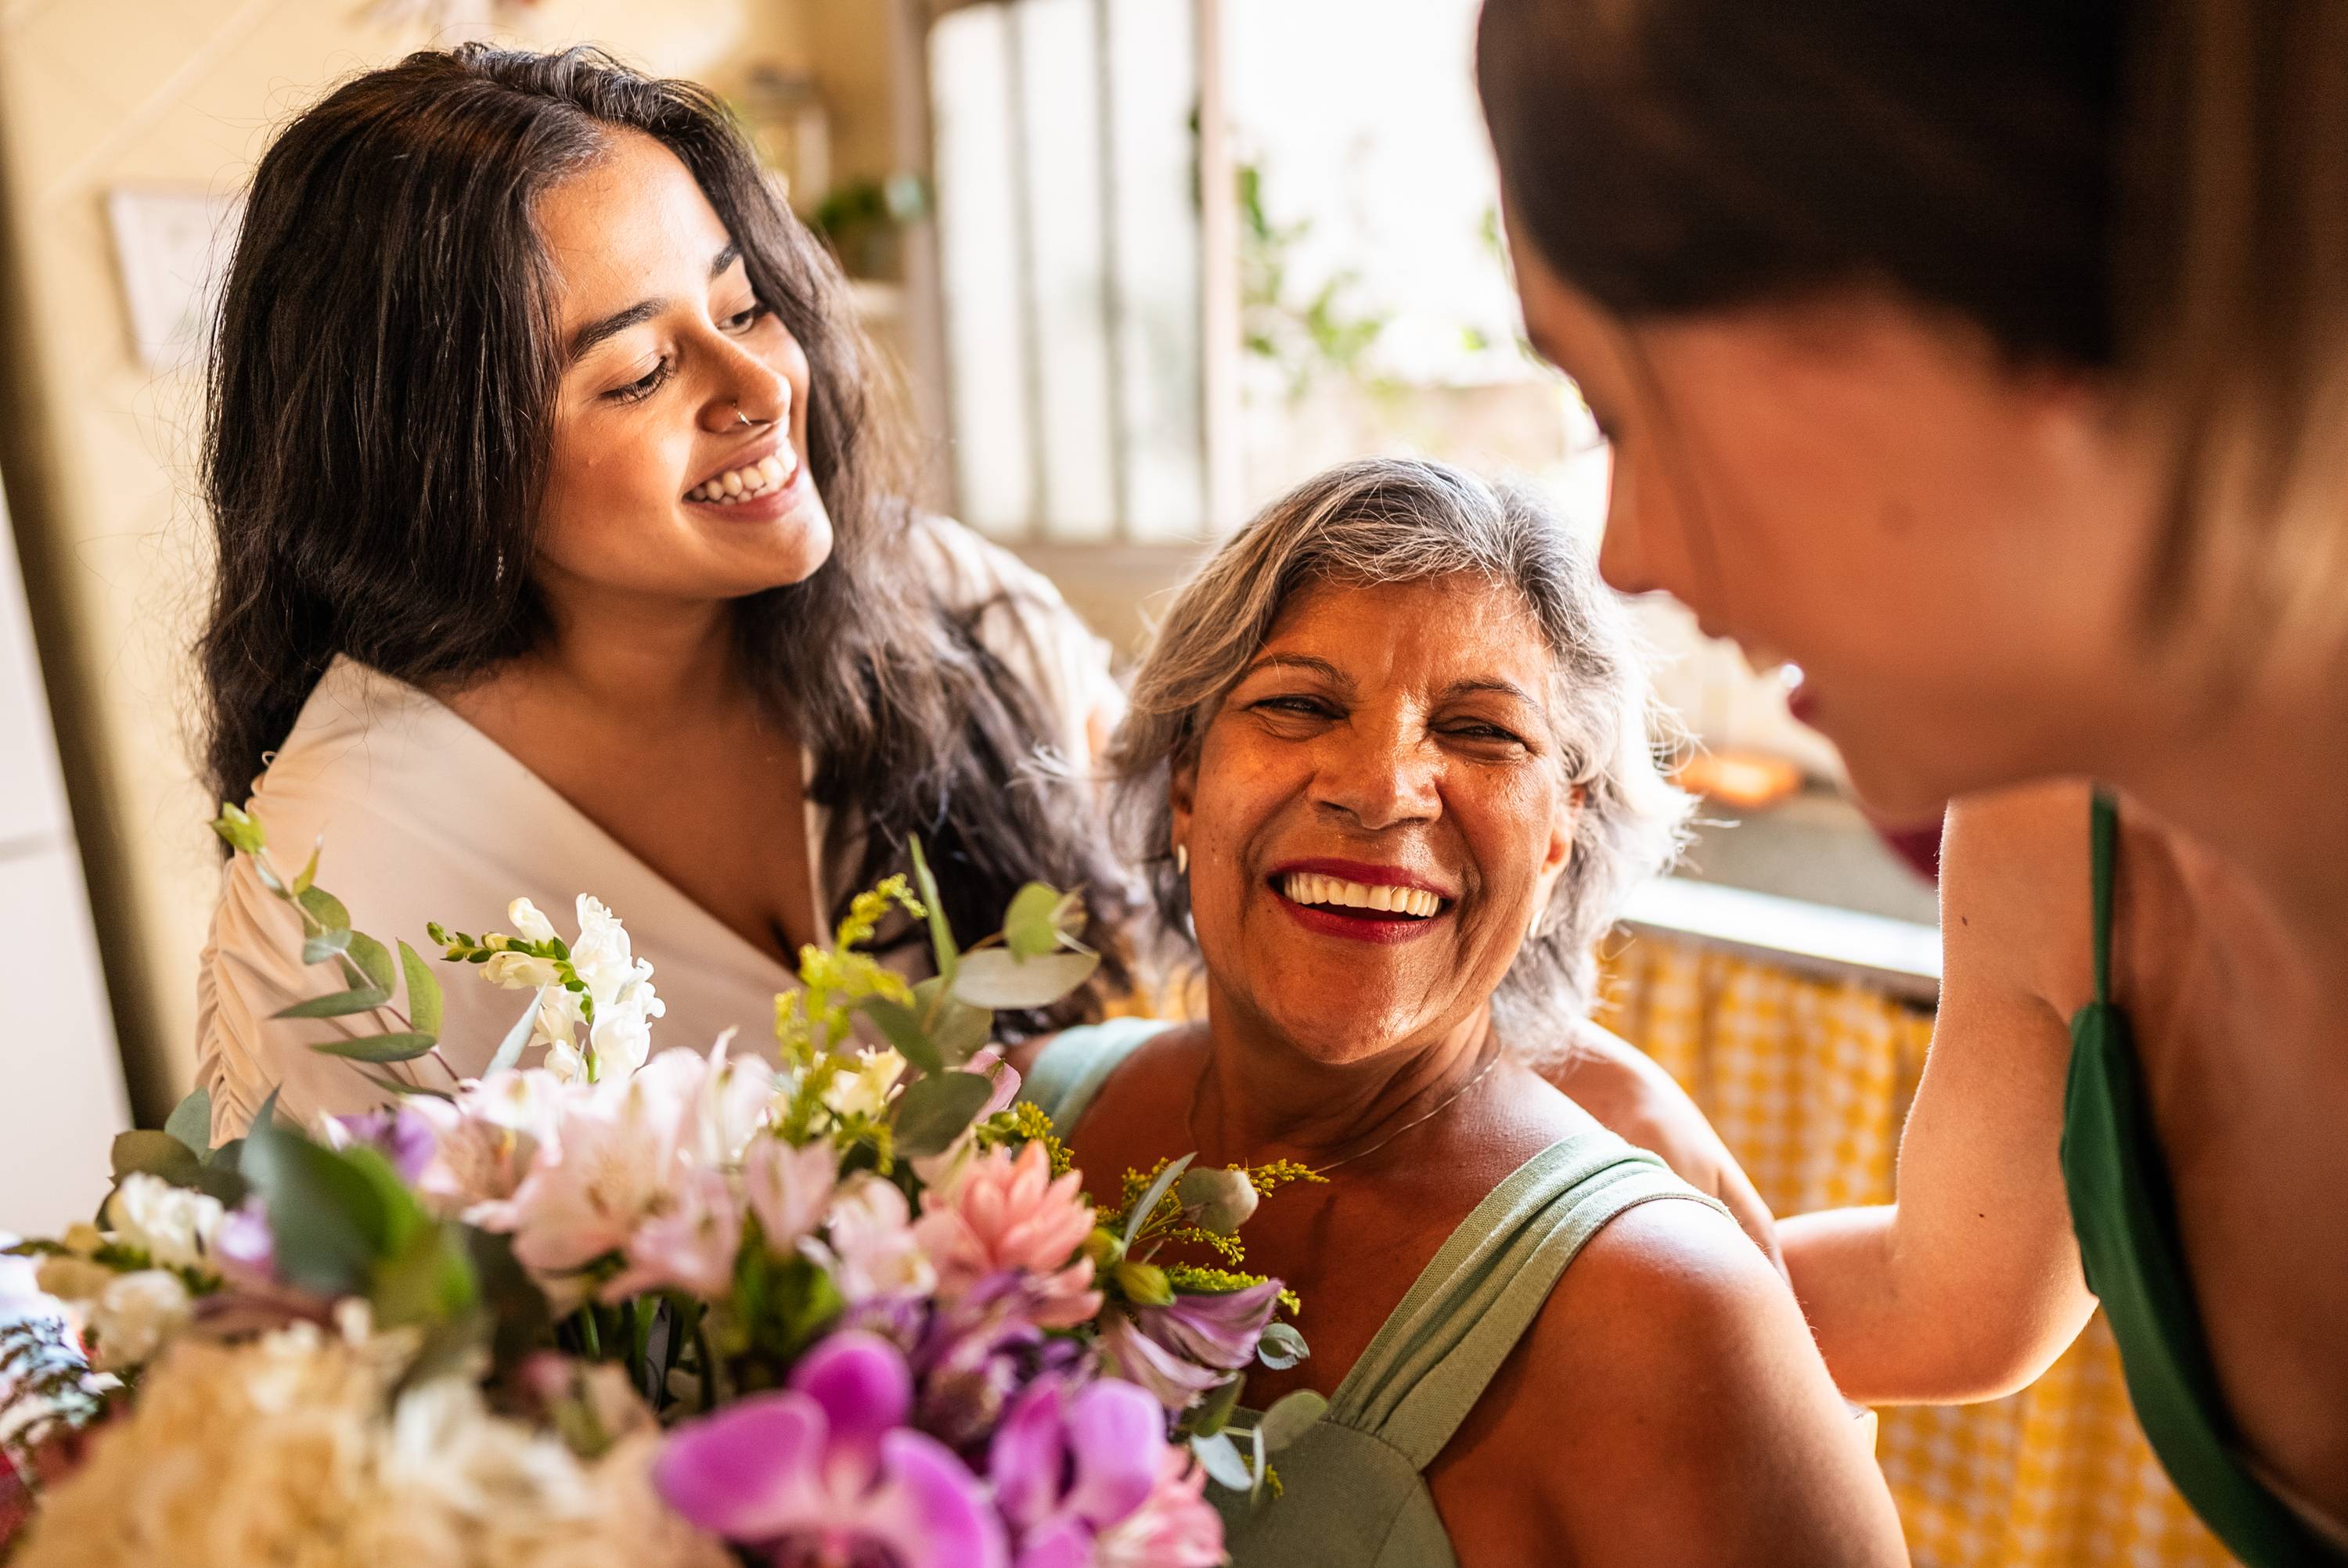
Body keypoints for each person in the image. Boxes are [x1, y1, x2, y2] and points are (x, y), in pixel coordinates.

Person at [189, 45, 1770, 1248]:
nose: (755, 390)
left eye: (743, 306)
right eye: (635, 372)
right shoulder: (343, 884)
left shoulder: (951, 615)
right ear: (431, 453)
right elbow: (357, 1383)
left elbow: (1252, 939)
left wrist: (1573, 1093)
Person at [1475, 2, 2348, 1560]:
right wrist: (1473, 1304)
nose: (1629, 558)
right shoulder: (2047, 825)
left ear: (1976, 267)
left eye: (1625, 409)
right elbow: (1956, 1296)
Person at [1012, 459, 1905, 1568]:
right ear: (1187, 779)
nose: (1381, 786)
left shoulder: (1668, 1316)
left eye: (1483, 733)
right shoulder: (1005, 1130)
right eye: (1299, 704)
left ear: (1558, 830)